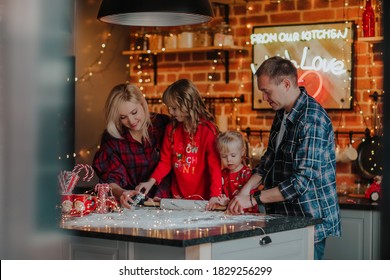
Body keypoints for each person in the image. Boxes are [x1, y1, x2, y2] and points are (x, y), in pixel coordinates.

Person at [227, 56, 341, 260]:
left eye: (266, 91)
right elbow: (268, 160)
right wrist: (243, 192)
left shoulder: (311, 119)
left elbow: (301, 183)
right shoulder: (282, 114)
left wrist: (252, 199)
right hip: (284, 218)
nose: (264, 97)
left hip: (308, 222)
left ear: (286, 84)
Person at [136, 79, 222, 210]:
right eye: (168, 107)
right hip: (177, 198)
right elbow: (165, 162)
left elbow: (214, 167)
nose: (170, 112)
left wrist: (215, 195)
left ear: (188, 104)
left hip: (203, 199)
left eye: (174, 108)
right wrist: (150, 182)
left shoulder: (208, 131)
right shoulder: (171, 130)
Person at [93, 84, 171, 209]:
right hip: (132, 207)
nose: (131, 120)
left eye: (134, 112)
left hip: (168, 204)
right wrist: (122, 193)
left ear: (142, 103)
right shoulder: (112, 138)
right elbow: (111, 178)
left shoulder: (163, 125)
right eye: (123, 117)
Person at [216, 131, 258, 212]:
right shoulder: (222, 174)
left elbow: (253, 202)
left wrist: (230, 203)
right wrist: (224, 203)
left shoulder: (247, 174)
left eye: (233, 155)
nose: (229, 160)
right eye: (224, 156)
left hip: (247, 217)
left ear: (242, 152)